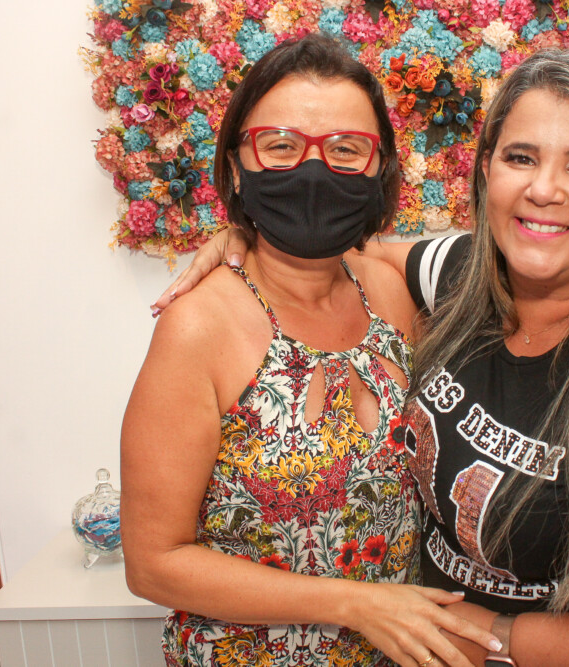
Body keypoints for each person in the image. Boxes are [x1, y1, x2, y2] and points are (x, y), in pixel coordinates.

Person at [158, 46, 569, 665]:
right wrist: (248, 233)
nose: (543, 189)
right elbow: (346, 250)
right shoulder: (463, 278)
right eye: (520, 157)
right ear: (485, 172)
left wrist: (494, 635)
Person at [121, 34, 499, 667]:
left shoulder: (390, 288)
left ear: (380, 170)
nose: (313, 173)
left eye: (346, 149)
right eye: (281, 146)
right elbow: (154, 563)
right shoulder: (198, 328)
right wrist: (354, 604)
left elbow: (526, 257)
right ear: (236, 165)